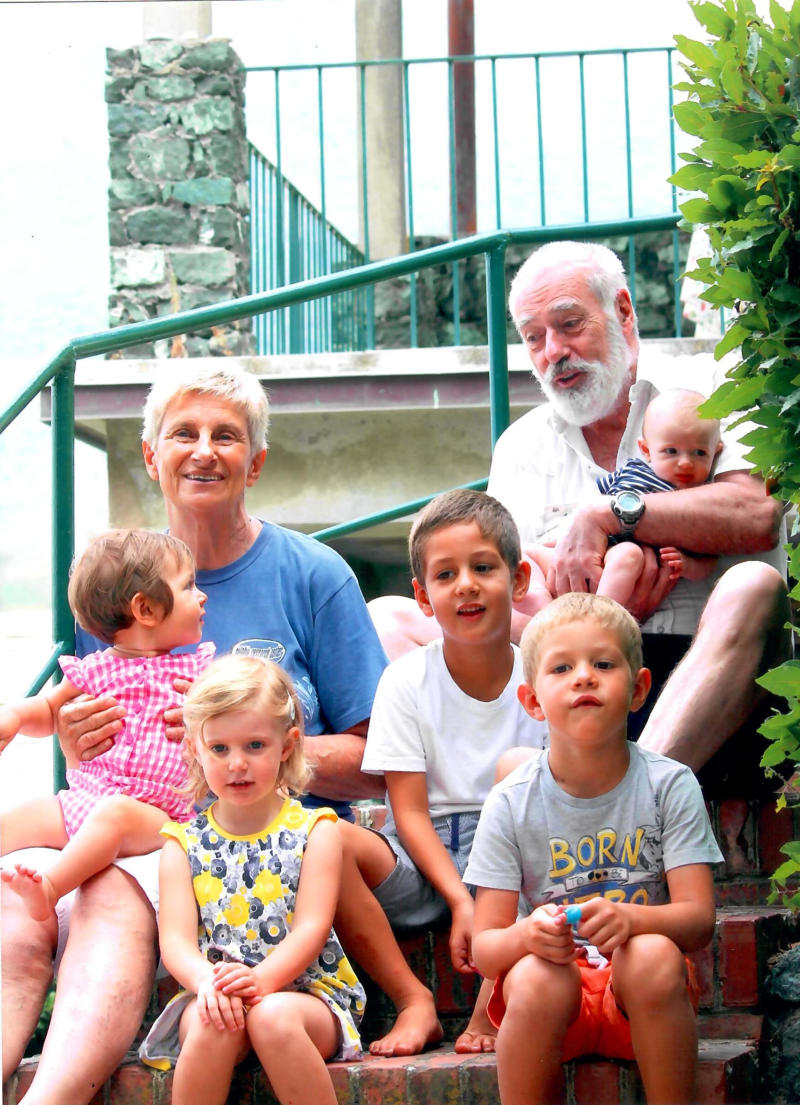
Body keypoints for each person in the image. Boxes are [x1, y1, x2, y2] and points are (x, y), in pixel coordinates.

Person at [2, 364, 436, 1105]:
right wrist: (75, 739)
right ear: (151, 456)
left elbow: (379, 762)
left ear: (255, 463)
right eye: (184, 433)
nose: (203, 450)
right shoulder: (116, 583)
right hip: (159, 833)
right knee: (16, 900)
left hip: (265, 844)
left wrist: (240, 748)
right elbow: (97, 741)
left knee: (115, 888)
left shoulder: (314, 575)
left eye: (226, 436)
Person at [370, 240, 788, 779]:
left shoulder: (713, 387)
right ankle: (497, 798)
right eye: (533, 337)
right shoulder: (522, 446)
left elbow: (755, 514)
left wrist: (606, 515)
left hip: (711, 675)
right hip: (570, 685)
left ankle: (635, 798)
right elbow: (504, 599)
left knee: (755, 584)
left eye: (569, 325)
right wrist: (601, 616)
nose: (554, 351)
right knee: (389, 618)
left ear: (623, 311)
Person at [465, 593, 723, 1105]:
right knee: (535, 975)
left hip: (640, 1000)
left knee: (650, 953)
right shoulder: (511, 801)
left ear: (638, 688)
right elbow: (486, 949)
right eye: (562, 668)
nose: (584, 677)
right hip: (554, 1010)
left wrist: (633, 920)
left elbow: (698, 920)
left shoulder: (669, 785)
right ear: (532, 701)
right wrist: (527, 934)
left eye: (603, 664)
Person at [339, 489, 548, 1054]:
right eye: (446, 574)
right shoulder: (405, 681)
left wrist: (485, 895)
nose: (466, 585)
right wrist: (460, 899)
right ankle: (414, 1001)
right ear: (422, 596)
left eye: (483, 567)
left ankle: (492, 1003)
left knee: (524, 787)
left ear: (519, 578)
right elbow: (406, 811)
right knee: (327, 841)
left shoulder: (544, 676)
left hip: (511, 854)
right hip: (419, 853)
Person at [139, 654, 365, 1105]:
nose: (237, 763)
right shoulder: (181, 844)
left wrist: (261, 983)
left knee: (271, 1017)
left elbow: (312, 928)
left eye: (255, 745)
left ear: (287, 745)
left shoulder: (316, 831)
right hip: (215, 992)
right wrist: (207, 983)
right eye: (219, 749)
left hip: (306, 995)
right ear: (195, 750)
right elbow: (176, 943)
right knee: (211, 1023)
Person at [0, 529, 213, 922]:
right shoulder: (96, 669)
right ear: (145, 609)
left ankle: (49, 888)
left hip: (157, 817)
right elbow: (48, 710)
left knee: (115, 815)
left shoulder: (199, 673)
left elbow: (234, 714)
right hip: (85, 800)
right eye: (188, 586)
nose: (202, 596)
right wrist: (13, 717)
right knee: (12, 823)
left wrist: (210, 714)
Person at [525, 389, 723, 607]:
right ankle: (541, 611)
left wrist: (687, 565)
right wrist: (567, 535)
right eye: (671, 451)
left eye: (699, 453)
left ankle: (598, 617)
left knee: (628, 555)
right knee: (525, 552)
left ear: (715, 451)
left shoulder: (700, 500)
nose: (685, 463)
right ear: (646, 450)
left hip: (622, 559)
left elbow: (709, 563)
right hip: (590, 549)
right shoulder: (632, 470)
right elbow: (591, 501)